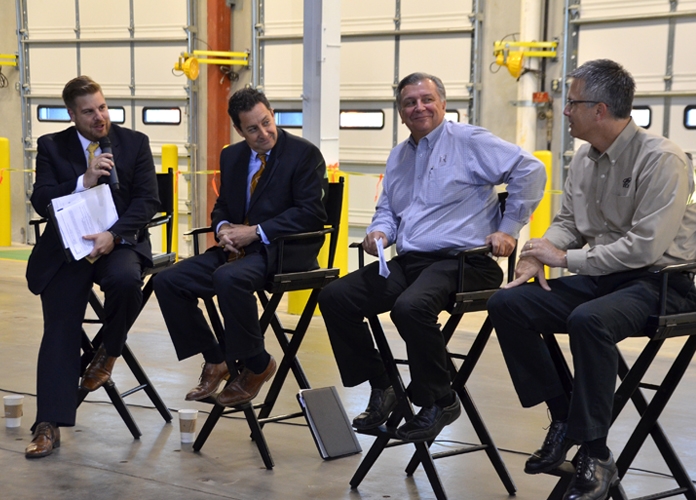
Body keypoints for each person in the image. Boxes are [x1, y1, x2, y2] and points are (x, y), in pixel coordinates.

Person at [487, 59, 696, 500]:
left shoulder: (663, 159)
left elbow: (644, 248)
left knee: (590, 320)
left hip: (661, 284)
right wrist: (539, 253)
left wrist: (565, 258)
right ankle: (563, 415)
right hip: (605, 278)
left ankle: (596, 452)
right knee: (507, 304)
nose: (565, 111)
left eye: (572, 103)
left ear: (600, 110)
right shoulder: (585, 159)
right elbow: (569, 222)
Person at [318, 72, 546, 443]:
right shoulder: (399, 155)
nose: (419, 107)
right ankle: (384, 385)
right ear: (400, 112)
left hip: (465, 262)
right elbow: (389, 209)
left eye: (427, 99)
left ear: (442, 103)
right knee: (335, 297)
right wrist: (380, 232)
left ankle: (441, 400)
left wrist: (509, 228)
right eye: (409, 102)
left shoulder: (468, 141)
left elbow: (531, 169)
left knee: (410, 308)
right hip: (412, 262)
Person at [153, 87, 327, 408]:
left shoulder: (304, 154)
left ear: (272, 113)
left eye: (266, 122)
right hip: (236, 251)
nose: (264, 133)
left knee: (228, 278)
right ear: (238, 130)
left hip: (282, 251)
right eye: (252, 129)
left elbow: (311, 214)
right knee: (167, 281)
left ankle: (257, 364)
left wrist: (256, 232)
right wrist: (222, 228)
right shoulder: (232, 156)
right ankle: (216, 358)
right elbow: (223, 205)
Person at [25, 76, 160, 458]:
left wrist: (113, 235)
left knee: (126, 281)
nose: (100, 117)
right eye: (89, 112)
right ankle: (48, 425)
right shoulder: (52, 146)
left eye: (102, 107)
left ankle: (108, 352)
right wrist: (81, 181)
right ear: (72, 114)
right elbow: (41, 199)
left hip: (118, 242)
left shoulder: (134, 143)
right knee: (60, 326)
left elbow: (147, 201)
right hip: (71, 246)